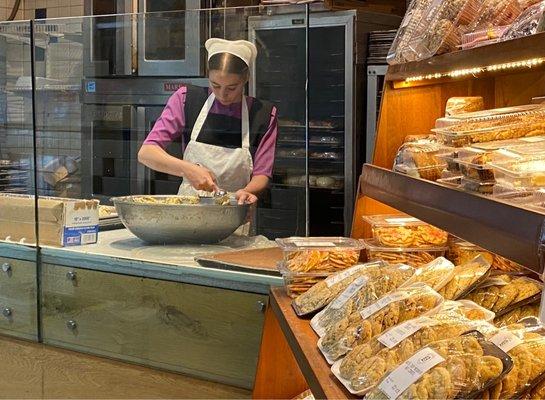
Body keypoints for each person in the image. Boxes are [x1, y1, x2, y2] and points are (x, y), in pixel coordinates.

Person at [138, 38, 278, 205]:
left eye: (232, 88)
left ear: (246, 78)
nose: (222, 94)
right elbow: (147, 153)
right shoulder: (186, 100)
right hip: (187, 210)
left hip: (234, 210)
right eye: (215, 85)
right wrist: (188, 169)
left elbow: (262, 173)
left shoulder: (262, 114)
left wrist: (247, 192)